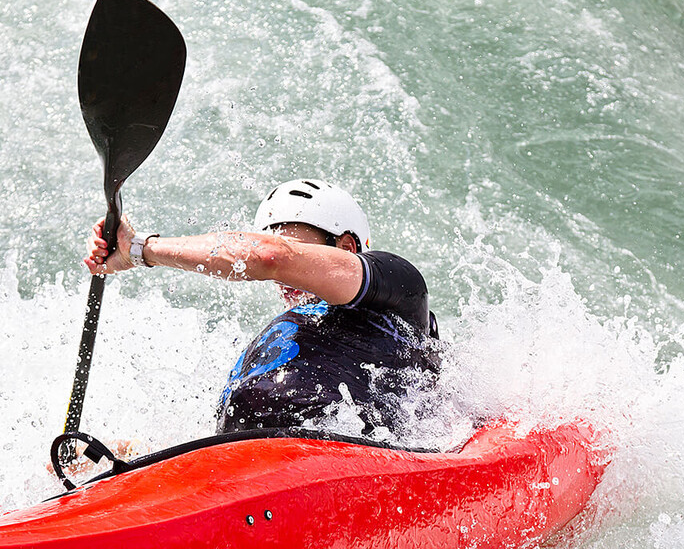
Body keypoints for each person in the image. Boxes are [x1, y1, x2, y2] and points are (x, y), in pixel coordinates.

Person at [86, 178, 440, 437]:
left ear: (345, 248)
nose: (280, 274)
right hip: (247, 477)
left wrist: (140, 249)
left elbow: (270, 257)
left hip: (344, 471)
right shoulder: (290, 336)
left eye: (296, 247)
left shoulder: (397, 289)